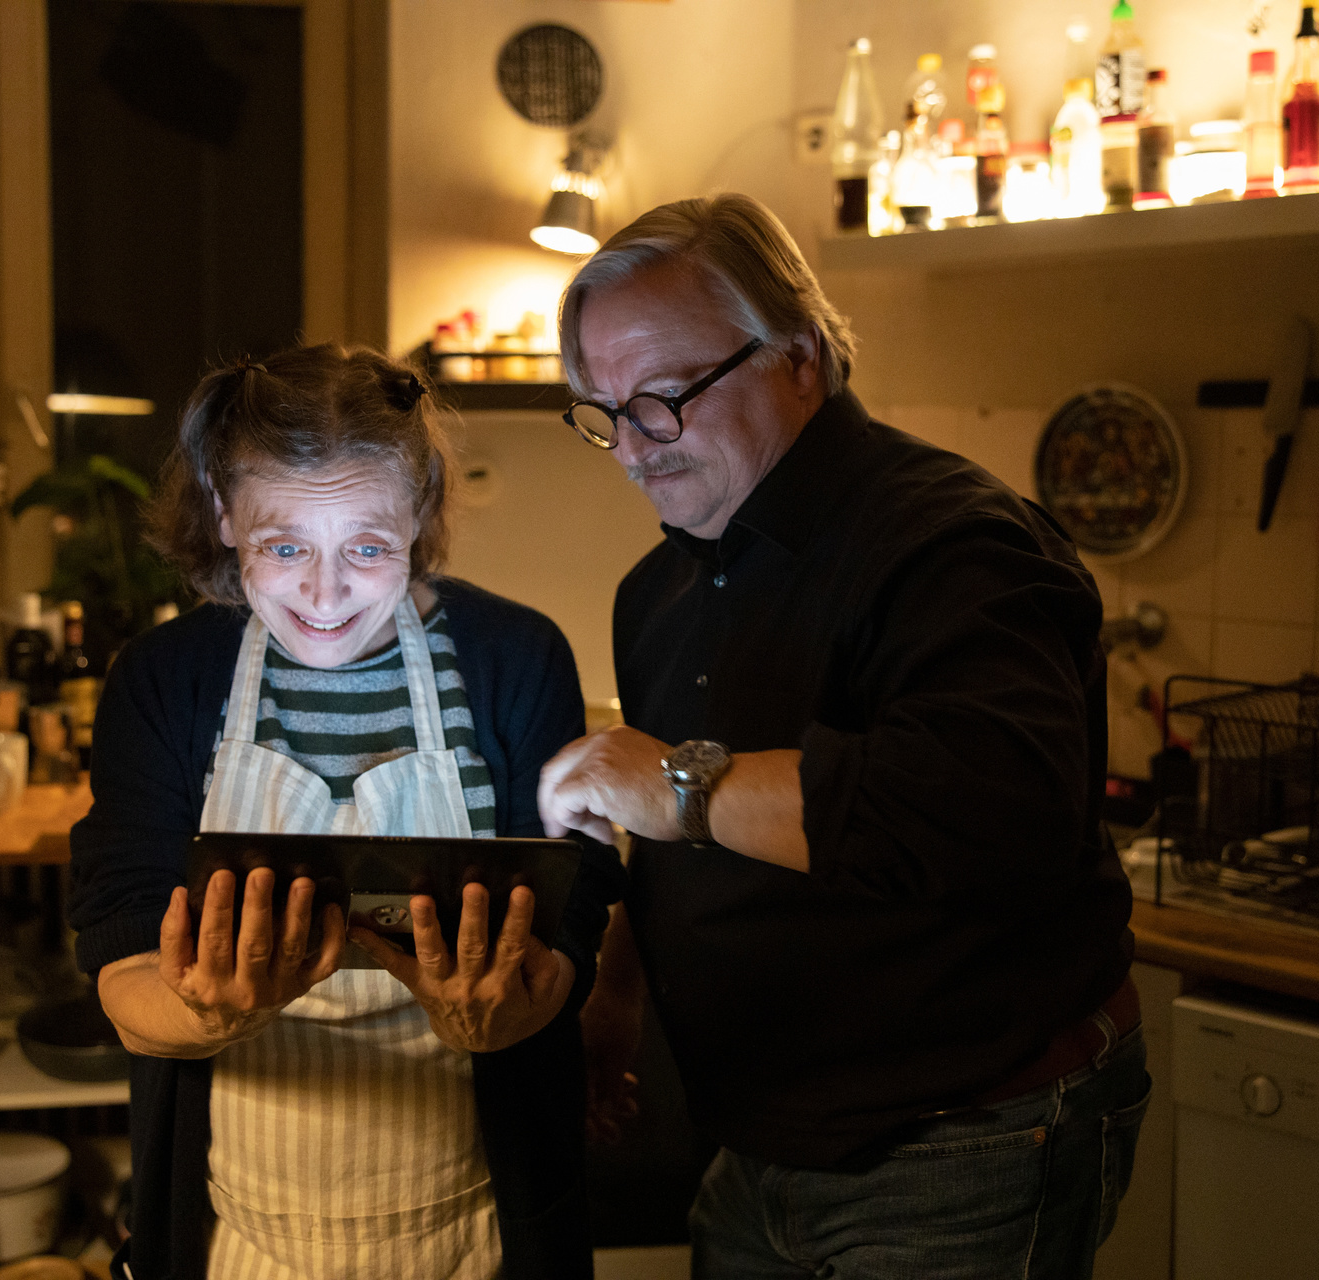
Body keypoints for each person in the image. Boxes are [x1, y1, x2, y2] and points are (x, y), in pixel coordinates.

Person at [536, 193, 1145, 1279]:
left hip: (963, 1138)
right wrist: (618, 994)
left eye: (664, 400)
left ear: (799, 357)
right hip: (757, 1137)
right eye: (605, 411)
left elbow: (975, 810)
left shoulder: (955, 546)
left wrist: (675, 782)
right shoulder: (656, 591)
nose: (631, 447)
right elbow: (681, 841)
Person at [68, 344, 623, 1280]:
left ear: (421, 515)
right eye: (284, 547)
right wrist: (213, 1015)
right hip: (238, 1239)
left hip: (479, 1232)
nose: (324, 596)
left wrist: (503, 1018)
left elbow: (571, 919)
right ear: (223, 513)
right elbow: (124, 975)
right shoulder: (166, 679)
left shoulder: (515, 658)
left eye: (367, 548)